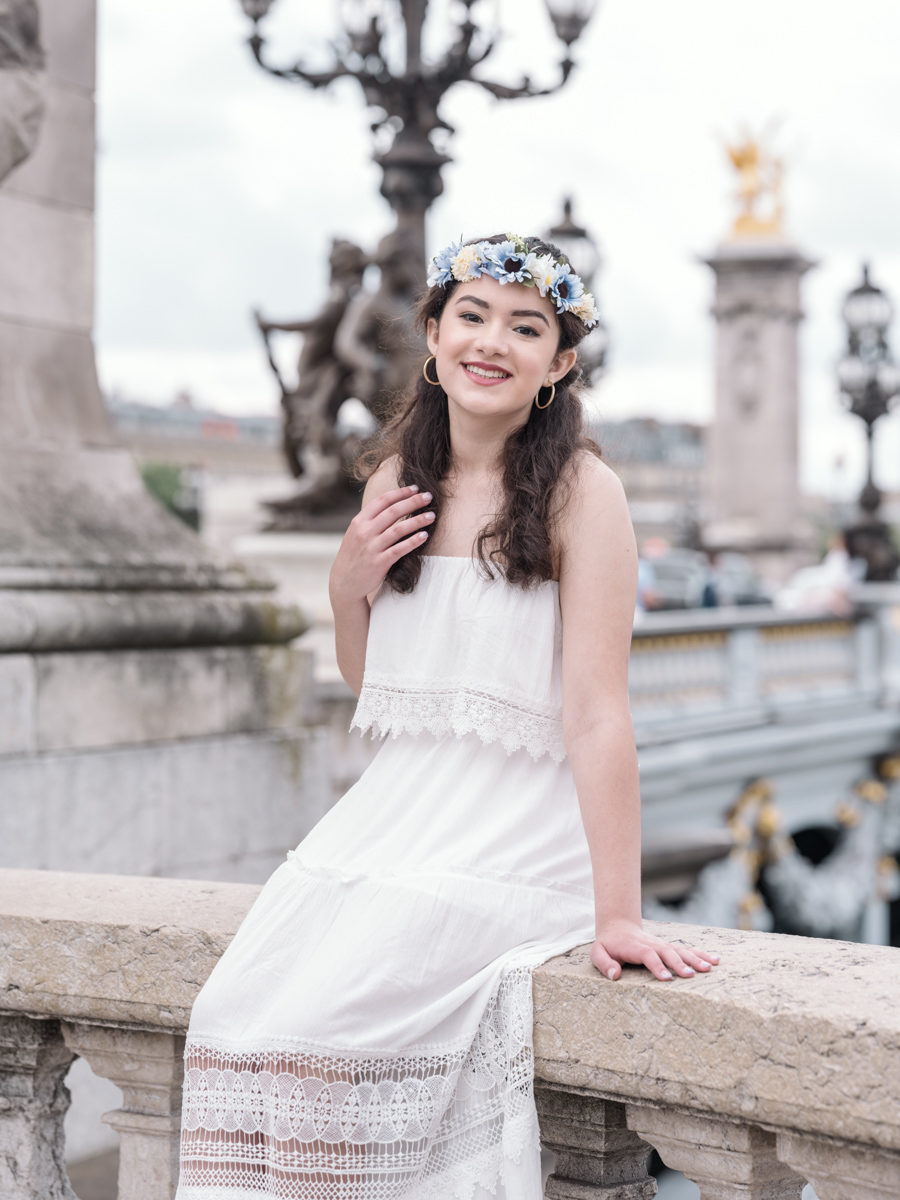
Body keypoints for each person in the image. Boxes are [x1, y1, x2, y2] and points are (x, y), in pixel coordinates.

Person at [175, 233, 718, 1200]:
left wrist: (620, 912)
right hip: (396, 819)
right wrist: (349, 589)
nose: (492, 342)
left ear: (558, 364)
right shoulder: (396, 482)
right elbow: (379, 683)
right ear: (432, 335)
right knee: (230, 1015)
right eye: (471, 316)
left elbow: (598, 714)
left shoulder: (582, 494)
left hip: (510, 835)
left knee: (327, 1034)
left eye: (526, 327)